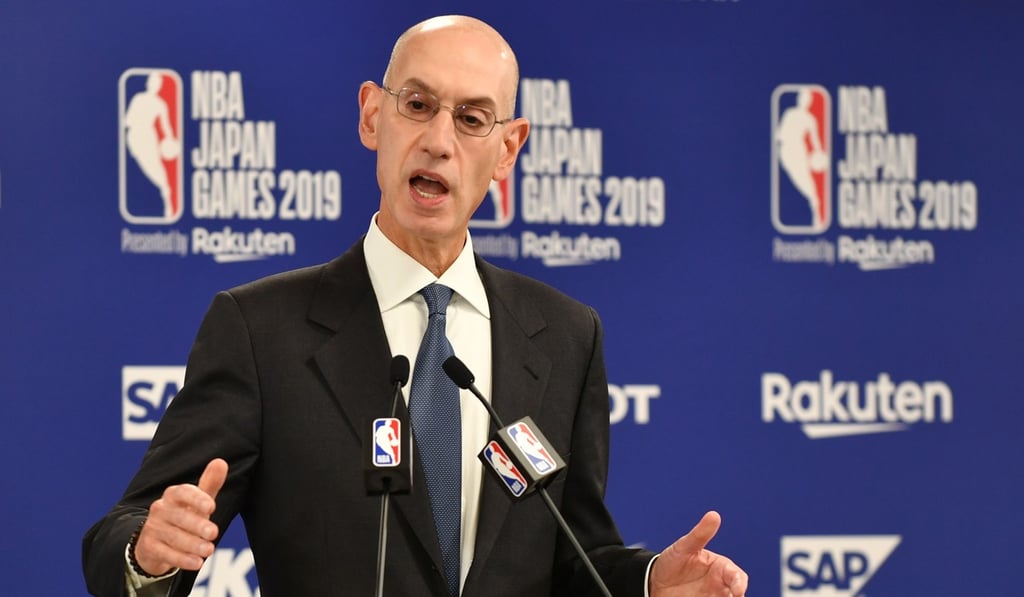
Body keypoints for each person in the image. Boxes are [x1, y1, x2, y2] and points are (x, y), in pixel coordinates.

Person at [83, 15, 749, 597]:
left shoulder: (566, 336)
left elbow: (577, 555)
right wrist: (148, 550)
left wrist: (647, 582)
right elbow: (122, 533)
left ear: (507, 149)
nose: (438, 139)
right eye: (418, 105)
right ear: (373, 114)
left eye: (471, 118)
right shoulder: (262, 332)